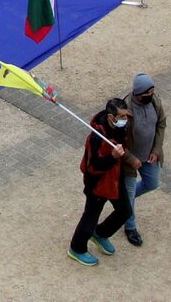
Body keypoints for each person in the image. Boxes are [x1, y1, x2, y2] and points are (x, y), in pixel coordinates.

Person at [69, 96, 132, 266]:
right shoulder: (96, 138)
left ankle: (101, 233)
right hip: (97, 184)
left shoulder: (119, 130)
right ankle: (77, 248)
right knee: (90, 218)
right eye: (122, 117)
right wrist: (112, 157)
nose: (125, 120)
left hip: (115, 180)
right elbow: (92, 167)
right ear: (111, 118)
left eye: (126, 116)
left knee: (125, 211)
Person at [121, 72, 166, 246]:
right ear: (138, 94)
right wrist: (131, 158)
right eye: (147, 94)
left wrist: (157, 149)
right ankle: (130, 227)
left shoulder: (156, 102)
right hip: (130, 162)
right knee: (130, 191)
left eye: (152, 92)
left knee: (152, 183)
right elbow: (118, 141)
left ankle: (124, 200)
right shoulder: (125, 110)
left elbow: (161, 124)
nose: (151, 96)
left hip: (150, 156)